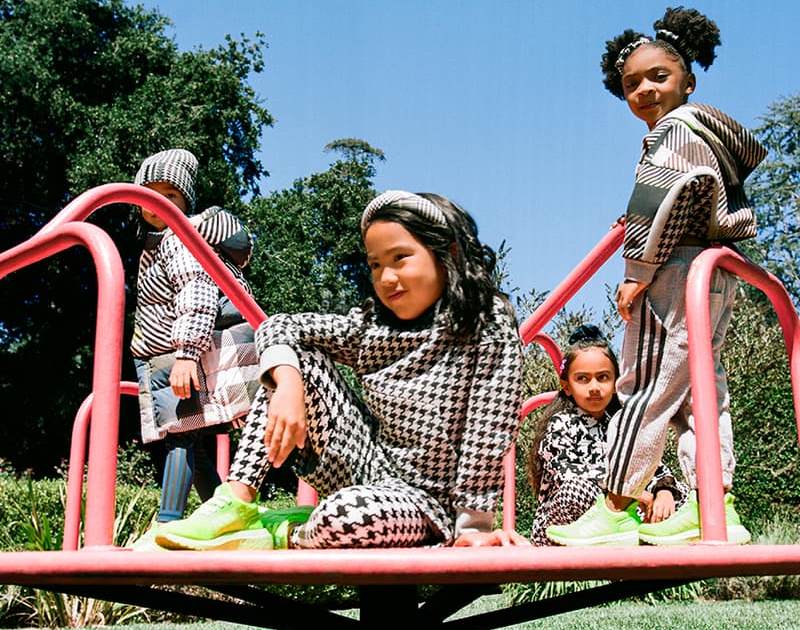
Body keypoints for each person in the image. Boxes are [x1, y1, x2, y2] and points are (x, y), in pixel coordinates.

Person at [153, 189, 527, 551]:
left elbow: (488, 428)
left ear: (449, 253)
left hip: (429, 506)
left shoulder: (484, 322)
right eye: (375, 265)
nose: (386, 278)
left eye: (400, 258)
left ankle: (285, 531)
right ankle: (237, 502)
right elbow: (279, 325)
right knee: (292, 361)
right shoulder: (371, 327)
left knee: (342, 517)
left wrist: (475, 526)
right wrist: (287, 383)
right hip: (365, 466)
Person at [547, 7, 767, 547]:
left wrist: (635, 271)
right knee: (700, 394)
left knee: (643, 384)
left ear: (688, 81)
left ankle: (616, 506)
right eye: (631, 84)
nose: (644, 89)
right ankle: (713, 503)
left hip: (673, 271)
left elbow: (659, 200)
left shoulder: (670, 133)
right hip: (711, 272)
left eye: (658, 77)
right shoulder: (708, 133)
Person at [129, 148, 261, 549]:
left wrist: (187, 352)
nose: (158, 204)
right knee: (191, 441)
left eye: (170, 196)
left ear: (185, 201)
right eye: (150, 194)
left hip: (187, 354)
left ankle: (166, 520)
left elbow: (197, 293)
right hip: (171, 354)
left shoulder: (178, 238)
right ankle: (220, 518)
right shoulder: (156, 243)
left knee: (181, 436)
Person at [528, 325, 686, 545]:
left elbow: (652, 465)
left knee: (683, 493)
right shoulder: (560, 424)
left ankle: (637, 532)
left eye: (602, 378)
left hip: (621, 510)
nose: (594, 387)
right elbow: (568, 474)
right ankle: (612, 529)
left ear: (615, 384)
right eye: (583, 379)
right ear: (566, 386)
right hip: (572, 518)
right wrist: (627, 490)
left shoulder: (621, 424)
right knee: (575, 490)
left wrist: (664, 491)